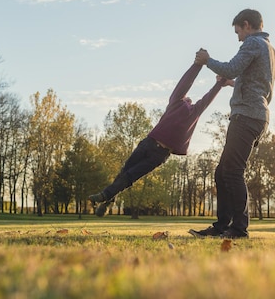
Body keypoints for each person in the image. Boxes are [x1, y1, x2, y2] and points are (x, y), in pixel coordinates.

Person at [88, 62, 234, 217]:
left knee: (131, 175)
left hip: (160, 154)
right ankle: (108, 201)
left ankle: (104, 196)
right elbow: (184, 83)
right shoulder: (176, 102)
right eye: (186, 97)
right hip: (148, 143)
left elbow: (208, 98)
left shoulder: (195, 112)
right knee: (124, 172)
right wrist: (197, 65)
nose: (189, 98)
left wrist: (219, 84)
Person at [189, 9, 275, 239]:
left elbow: (230, 66)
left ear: (247, 25)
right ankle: (222, 227)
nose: (238, 36)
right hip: (256, 115)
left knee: (233, 172)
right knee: (222, 172)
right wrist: (232, 83)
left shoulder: (253, 43)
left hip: (246, 116)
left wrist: (207, 61)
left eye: (238, 31)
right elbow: (256, 81)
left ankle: (238, 229)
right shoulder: (268, 47)